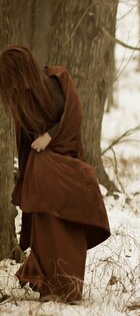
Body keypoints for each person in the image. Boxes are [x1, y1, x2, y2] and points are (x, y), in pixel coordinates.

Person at [0, 45, 110, 303]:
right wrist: (24, 180)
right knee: (44, 225)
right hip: (41, 176)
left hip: (65, 167)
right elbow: (26, 141)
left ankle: (66, 288)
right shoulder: (21, 100)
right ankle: (48, 284)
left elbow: (73, 115)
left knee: (64, 228)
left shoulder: (56, 81)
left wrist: (50, 136)